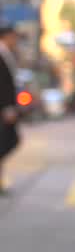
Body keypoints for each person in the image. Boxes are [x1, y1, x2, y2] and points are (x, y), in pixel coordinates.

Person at [0, 24, 21, 195]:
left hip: (7, 107)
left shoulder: (7, 54)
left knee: (9, 141)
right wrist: (7, 108)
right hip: (3, 109)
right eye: (14, 36)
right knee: (6, 142)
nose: (16, 41)